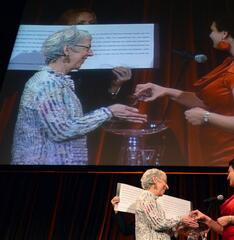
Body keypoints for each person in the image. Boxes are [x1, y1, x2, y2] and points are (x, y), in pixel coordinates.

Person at [134, 15, 234, 166]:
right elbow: (210, 103)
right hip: (228, 153)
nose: (210, 35)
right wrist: (164, 91)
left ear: (225, 34)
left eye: (212, 30)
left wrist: (205, 117)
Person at [11, 26, 147, 165]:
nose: (91, 53)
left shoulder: (56, 81)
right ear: (67, 50)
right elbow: (62, 131)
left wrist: (112, 111)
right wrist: (108, 112)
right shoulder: (47, 83)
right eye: (87, 48)